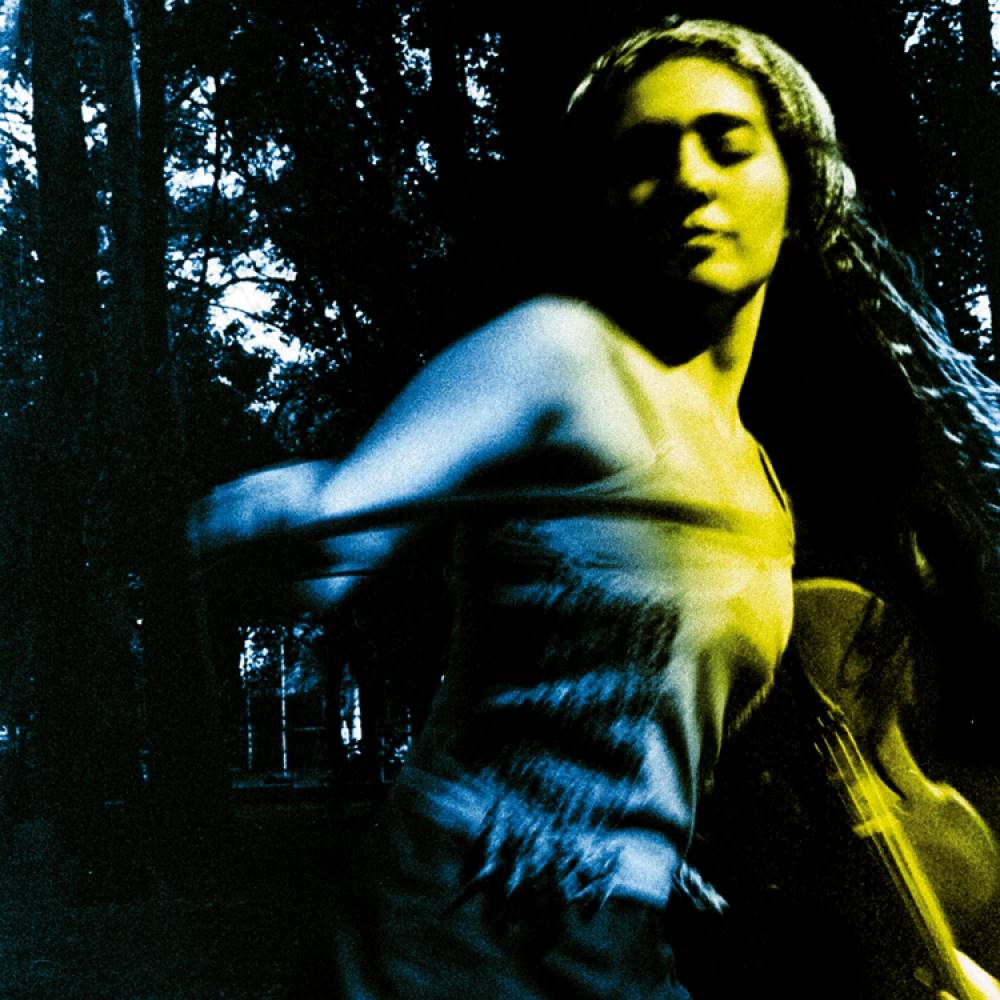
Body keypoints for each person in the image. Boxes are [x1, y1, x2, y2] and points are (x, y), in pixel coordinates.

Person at [189, 17, 1000, 999]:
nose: (688, 177)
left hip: (614, 944)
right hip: (451, 921)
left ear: (798, 188)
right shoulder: (562, 355)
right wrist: (297, 521)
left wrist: (938, 956)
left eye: (726, 143)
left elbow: (677, 771)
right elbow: (345, 513)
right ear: (607, 206)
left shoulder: (763, 490)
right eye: (644, 157)